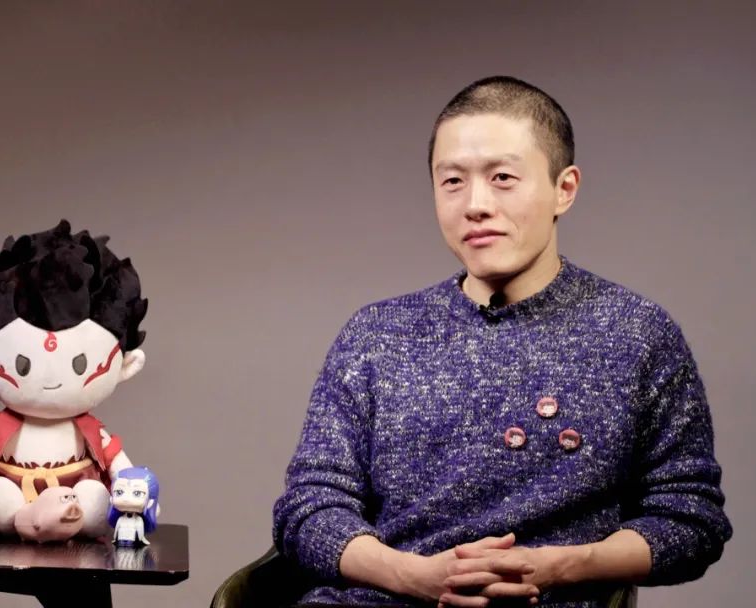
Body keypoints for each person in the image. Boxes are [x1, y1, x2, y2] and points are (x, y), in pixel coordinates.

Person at [272, 76, 732, 607]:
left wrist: (561, 566)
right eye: (452, 181)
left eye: (503, 178)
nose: (476, 204)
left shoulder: (637, 333)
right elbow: (308, 508)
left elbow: (690, 518)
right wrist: (412, 575)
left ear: (564, 189)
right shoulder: (375, 335)